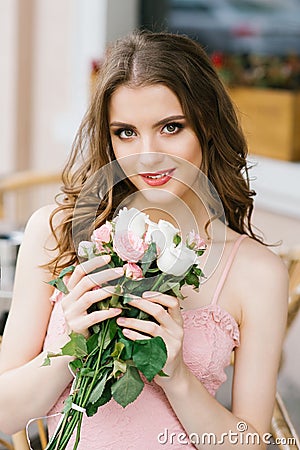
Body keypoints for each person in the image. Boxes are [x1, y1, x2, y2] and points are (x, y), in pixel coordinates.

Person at [0, 30, 288, 449]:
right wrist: (70, 352)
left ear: (207, 125)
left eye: (171, 127)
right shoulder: (56, 232)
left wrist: (178, 378)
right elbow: (4, 416)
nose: (148, 154)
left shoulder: (258, 273)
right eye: (126, 132)